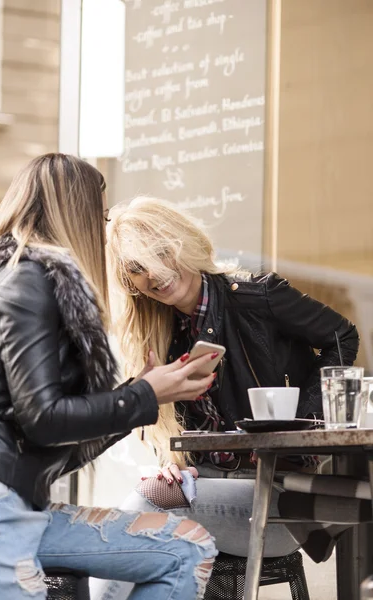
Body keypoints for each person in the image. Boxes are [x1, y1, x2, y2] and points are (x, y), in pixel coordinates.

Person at [0, 155, 218, 600]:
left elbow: (44, 426)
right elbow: (43, 419)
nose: (103, 228)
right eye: (101, 214)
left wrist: (140, 395)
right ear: (76, 211)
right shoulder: (26, 280)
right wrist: (144, 394)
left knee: (185, 546)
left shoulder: (11, 278)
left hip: (17, 505)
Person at [102, 195, 359, 583]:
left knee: (141, 511)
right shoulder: (161, 334)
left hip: (279, 498)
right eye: (138, 268)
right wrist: (171, 465)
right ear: (130, 283)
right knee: (147, 524)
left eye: (160, 253)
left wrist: (299, 424)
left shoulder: (258, 298)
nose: (155, 273)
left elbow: (343, 335)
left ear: (184, 242)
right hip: (210, 488)